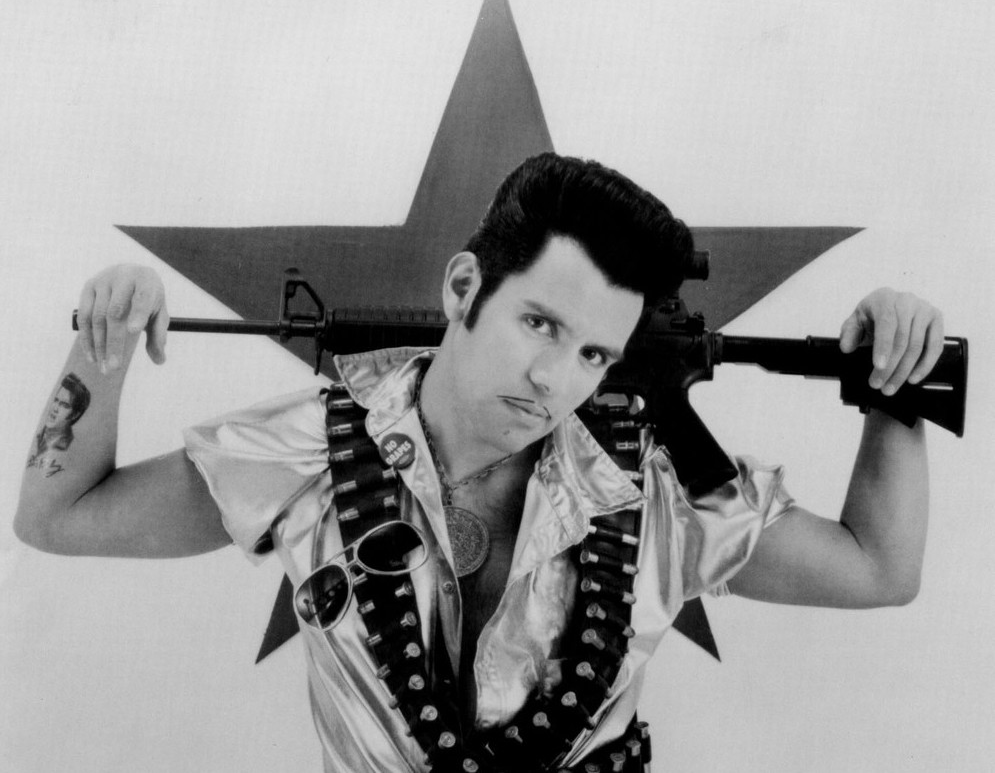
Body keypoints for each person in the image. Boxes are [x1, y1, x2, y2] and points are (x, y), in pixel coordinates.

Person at [16, 153, 944, 772]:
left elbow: (879, 568)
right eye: (538, 322)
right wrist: (107, 340)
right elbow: (57, 516)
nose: (553, 379)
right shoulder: (312, 450)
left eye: (593, 353)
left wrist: (897, 385)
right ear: (464, 287)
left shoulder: (654, 490)